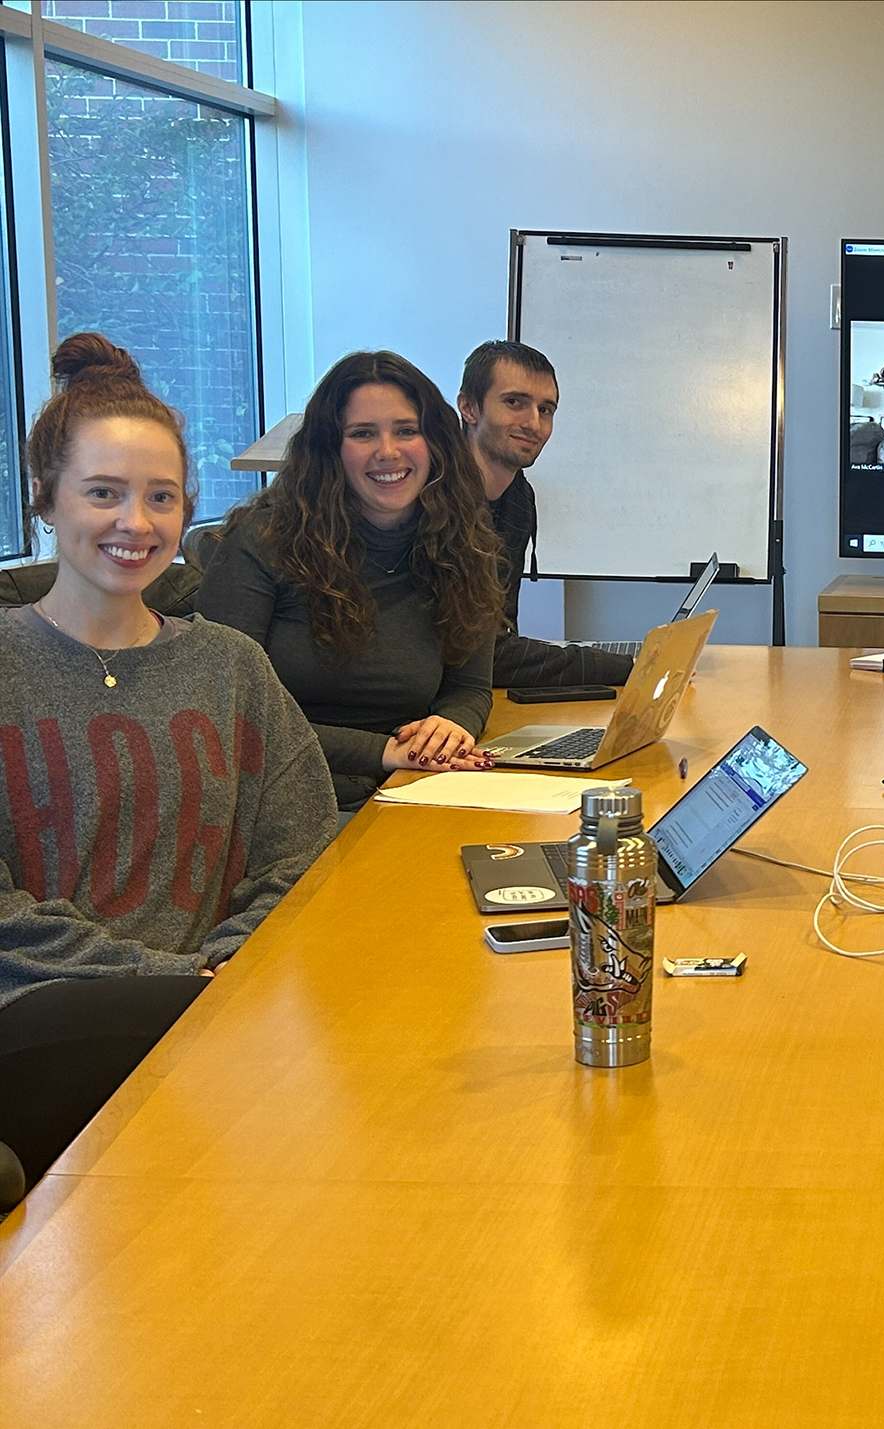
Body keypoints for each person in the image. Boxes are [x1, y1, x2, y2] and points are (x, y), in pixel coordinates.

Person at [0, 334, 337, 1190]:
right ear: (46, 499)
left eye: (160, 498)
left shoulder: (229, 665)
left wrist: (233, 961)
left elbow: (300, 850)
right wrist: (178, 979)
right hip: (39, 1022)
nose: (135, 523)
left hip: (217, 1018)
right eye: (103, 493)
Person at [198, 351, 505, 810]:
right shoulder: (263, 543)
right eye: (363, 433)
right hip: (285, 801)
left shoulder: (465, 544)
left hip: (409, 789)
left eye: (407, 430)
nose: (388, 451)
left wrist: (451, 725)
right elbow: (225, 711)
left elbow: (469, 686)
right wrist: (384, 753)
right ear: (331, 449)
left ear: (436, 443)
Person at [458, 340, 634, 690]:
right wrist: (628, 668)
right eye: (514, 403)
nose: (533, 424)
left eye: (545, 410)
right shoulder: (432, 502)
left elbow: (502, 628)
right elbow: (476, 654)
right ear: (469, 407)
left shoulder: (519, 498)